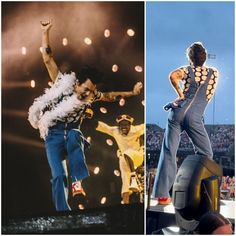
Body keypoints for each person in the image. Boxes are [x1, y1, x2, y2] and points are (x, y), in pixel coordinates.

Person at [28, 20, 143, 211]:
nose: (88, 95)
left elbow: (109, 96)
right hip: (53, 137)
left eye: (91, 92)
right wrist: (44, 32)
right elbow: (47, 59)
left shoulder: (90, 97)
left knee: (74, 134)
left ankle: (77, 183)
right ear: (77, 83)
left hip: (72, 135)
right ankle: (63, 213)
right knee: (58, 176)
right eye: (86, 90)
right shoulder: (61, 83)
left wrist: (131, 93)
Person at [152, 42, 219, 205]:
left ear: (190, 58)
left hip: (177, 112)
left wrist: (180, 95)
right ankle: (193, 188)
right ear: (204, 57)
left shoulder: (187, 70)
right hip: (195, 116)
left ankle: (162, 196)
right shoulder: (214, 73)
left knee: (169, 151)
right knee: (206, 154)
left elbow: (172, 76)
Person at [96, 114, 144, 204]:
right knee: (125, 180)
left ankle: (133, 178)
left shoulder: (137, 130)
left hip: (137, 156)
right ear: (119, 126)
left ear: (130, 125)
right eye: (121, 125)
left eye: (126, 124)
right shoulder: (115, 131)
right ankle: (126, 203)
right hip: (125, 158)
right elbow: (103, 127)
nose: (123, 127)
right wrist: (88, 118)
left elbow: (146, 126)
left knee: (127, 152)